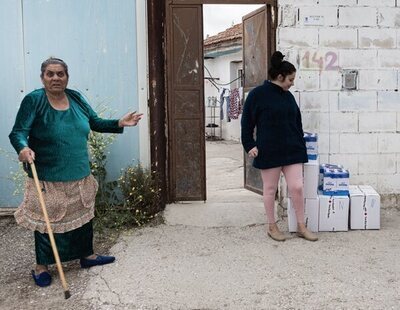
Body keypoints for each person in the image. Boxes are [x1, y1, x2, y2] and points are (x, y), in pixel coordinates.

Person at [9, 57, 143, 287]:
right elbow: (18, 132)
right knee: (47, 220)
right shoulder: (34, 100)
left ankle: (87, 256)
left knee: (83, 216)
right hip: (48, 174)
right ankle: (41, 267)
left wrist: (119, 123)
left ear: (67, 77)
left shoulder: (76, 97)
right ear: (42, 77)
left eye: (60, 74)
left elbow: (95, 122)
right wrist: (23, 148)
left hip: (78, 170)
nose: (55, 78)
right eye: (50, 74)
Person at [241, 51, 318, 242]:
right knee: (270, 189)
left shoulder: (288, 96)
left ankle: (301, 226)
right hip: (269, 150)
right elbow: (246, 123)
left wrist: (300, 145)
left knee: (297, 187)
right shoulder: (257, 95)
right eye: (291, 79)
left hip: (292, 150)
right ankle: (272, 226)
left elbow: (297, 123)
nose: (292, 83)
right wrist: (249, 144)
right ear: (280, 77)